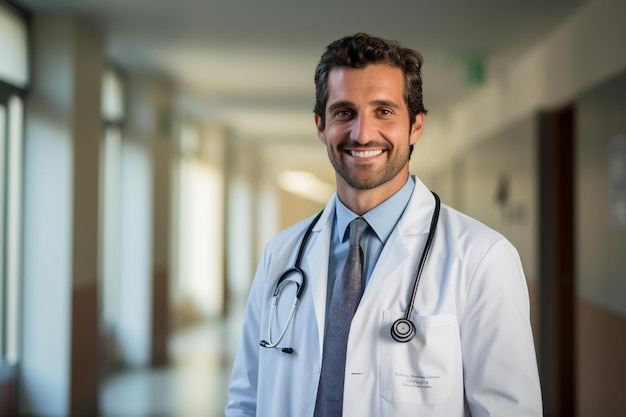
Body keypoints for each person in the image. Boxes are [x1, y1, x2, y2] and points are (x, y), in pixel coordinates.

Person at [225, 33, 542, 417]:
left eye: (384, 111)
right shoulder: (281, 254)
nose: (362, 133)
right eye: (344, 112)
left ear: (416, 127)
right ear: (320, 126)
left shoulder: (482, 259)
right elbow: (246, 400)